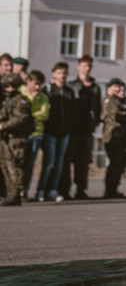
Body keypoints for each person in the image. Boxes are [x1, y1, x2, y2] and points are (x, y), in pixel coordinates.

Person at [62, 55, 102, 200]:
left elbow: (97, 108)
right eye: (84, 66)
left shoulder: (95, 88)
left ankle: (81, 190)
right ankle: (64, 189)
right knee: (67, 160)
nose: (87, 69)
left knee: (83, 162)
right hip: (73, 129)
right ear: (78, 66)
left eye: (89, 66)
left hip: (87, 130)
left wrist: (95, 122)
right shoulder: (72, 85)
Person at [39, 62, 73, 202]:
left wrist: (70, 127)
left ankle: (52, 189)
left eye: (64, 73)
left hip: (64, 133)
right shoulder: (47, 90)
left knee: (59, 164)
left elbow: (72, 112)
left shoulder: (69, 91)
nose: (62, 75)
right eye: (59, 73)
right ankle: (41, 190)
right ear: (53, 74)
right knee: (49, 163)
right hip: (50, 132)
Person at [0, 73, 34, 206]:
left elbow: (21, 118)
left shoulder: (21, 101)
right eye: (6, 86)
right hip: (6, 138)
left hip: (16, 137)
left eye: (10, 86)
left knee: (13, 165)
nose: (8, 88)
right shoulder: (7, 101)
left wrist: (4, 125)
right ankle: (11, 193)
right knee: (5, 165)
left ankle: (15, 193)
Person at [101, 77, 126, 199]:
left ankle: (114, 189)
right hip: (113, 136)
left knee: (121, 163)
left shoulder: (122, 102)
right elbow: (115, 115)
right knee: (115, 163)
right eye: (116, 87)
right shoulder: (108, 100)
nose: (119, 90)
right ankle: (109, 190)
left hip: (124, 137)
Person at [19, 70, 49, 199]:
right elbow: (21, 112)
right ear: (28, 81)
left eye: (40, 85)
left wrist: (31, 116)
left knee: (29, 164)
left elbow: (45, 114)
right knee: (19, 162)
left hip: (37, 133)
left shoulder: (43, 97)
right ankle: (15, 188)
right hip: (21, 133)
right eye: (35, 84)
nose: (37, 87)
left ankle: (24, 190)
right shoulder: (21, 92)